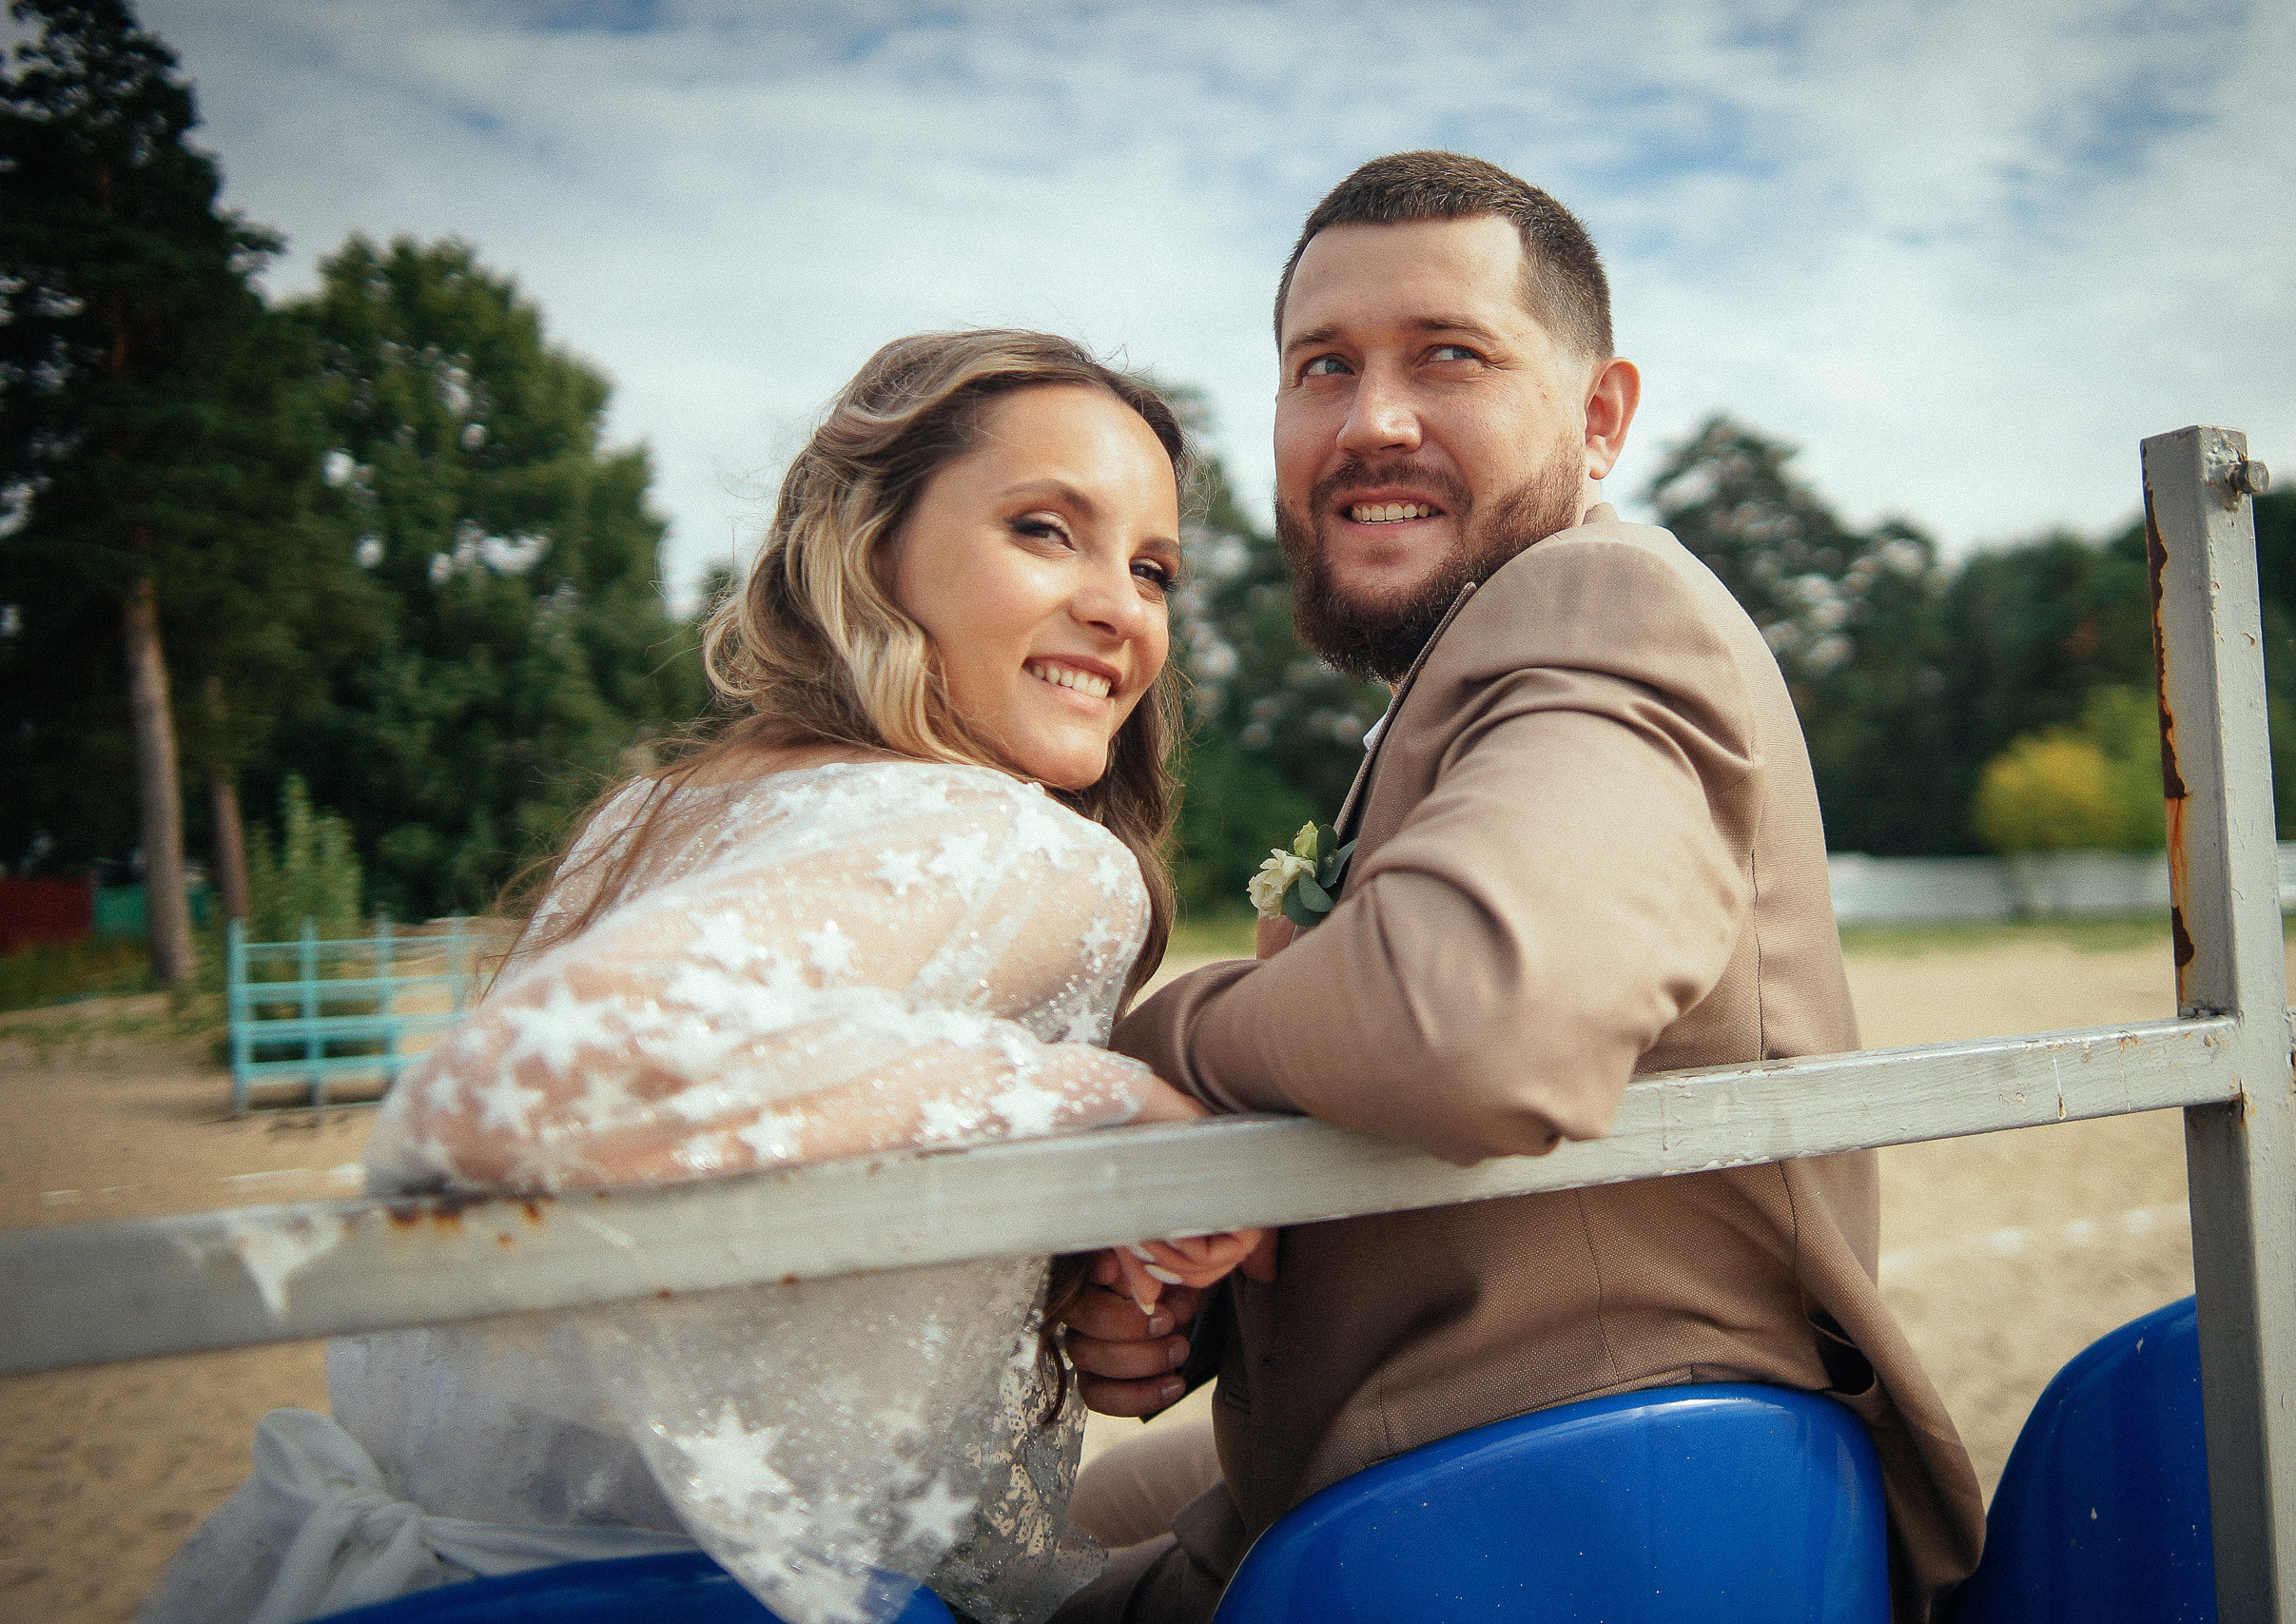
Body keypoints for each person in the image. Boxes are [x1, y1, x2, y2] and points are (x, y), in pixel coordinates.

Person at [141, 330, 1264, 1624]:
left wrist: (1047, 1274)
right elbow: (501, 1104)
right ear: (872, 544)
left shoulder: (649, 815)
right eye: (1044, 531)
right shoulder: (1014, 840)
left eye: (1153, 568)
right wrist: (1095, 1103)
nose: (1121, 607)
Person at [1052, 153, 1986, 1623]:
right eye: (1322, 367)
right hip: (1375, 1455)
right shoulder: (1472, 674)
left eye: (1450, 356)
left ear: (1602, 417)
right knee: (989, 1522)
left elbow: (1471, 1016)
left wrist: (1158, 1055)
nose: (1372, 421)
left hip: (1563, 1512)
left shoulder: (1602, 603)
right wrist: (1202, 1285)